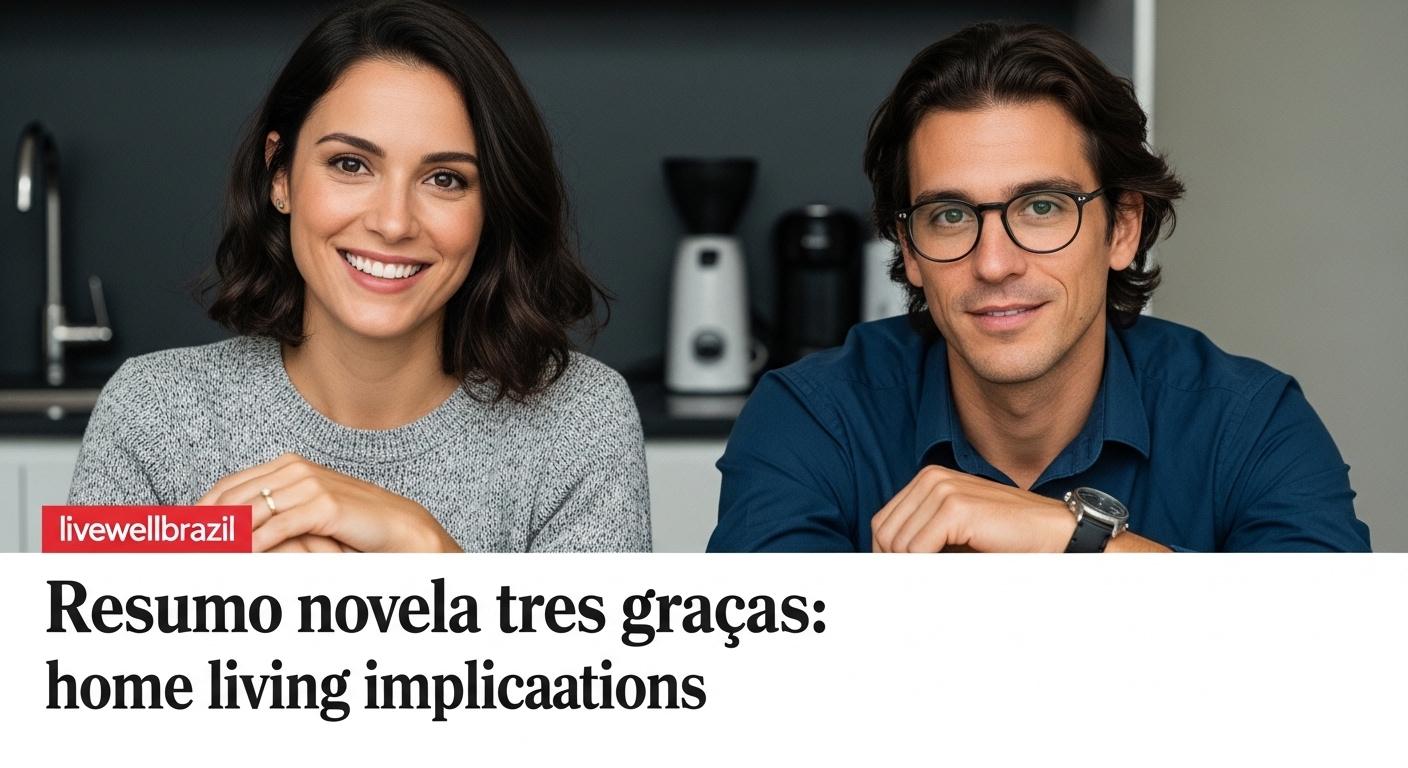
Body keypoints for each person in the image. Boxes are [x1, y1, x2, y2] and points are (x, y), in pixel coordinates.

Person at [708, 22, 1370, 553]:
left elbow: (1341, 657)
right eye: (949, 216)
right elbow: (770, 665)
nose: (994, 263)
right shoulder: (813, 419)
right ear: (908, 250)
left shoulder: (1248, 421)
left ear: (1123, 228)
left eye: (1042, 207)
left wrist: (1065, 538)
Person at [68, 0, 651, 553]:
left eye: (445, 179)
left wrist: (424, 545)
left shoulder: (580, 420)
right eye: (350, 164)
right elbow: (80, 629)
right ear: (280, 174)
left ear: (491, 206)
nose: (393, 223)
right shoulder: (153, 414)